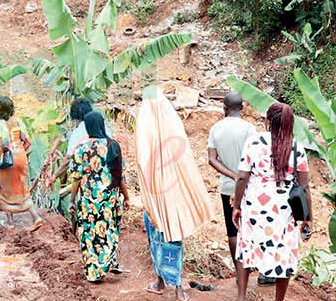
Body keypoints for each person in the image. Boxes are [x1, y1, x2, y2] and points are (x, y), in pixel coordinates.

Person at [136, 87, 214, 301]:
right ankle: (177, 288)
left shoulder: (145, 127)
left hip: (156, 193)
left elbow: (142, 162)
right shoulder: (173, 124)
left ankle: (161, 282)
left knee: (156, 239)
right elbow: (185, 158)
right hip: (175, 193)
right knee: (174, 239)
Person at [233, 103, 312, 301]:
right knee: (284, 253)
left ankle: (241, 297)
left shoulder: (254, 142)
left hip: (254, 206)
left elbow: (242, 177)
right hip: (283, 210)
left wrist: (236, 206)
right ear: (290, 124)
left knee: (246, 246)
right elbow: (304, 187)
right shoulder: (297, 148)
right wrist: (308, 218)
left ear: (268, 121)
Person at [207, 92, 265, 282]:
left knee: (233, 231)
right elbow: (257, 158)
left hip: (227, 187)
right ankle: (259, 268)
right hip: (250, 187)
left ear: (224, 107)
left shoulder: (215, 129)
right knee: (254, 226)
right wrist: (241, 177)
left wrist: (232, 176)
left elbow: (212, 159)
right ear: (242, 107)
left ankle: (240, 274)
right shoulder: (249, 129)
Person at [69, 111, 128, 282]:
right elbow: (120, 176)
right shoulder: (113, 146)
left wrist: (72, 200)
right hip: (110, 198)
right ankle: (108, 262)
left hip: (88, 200)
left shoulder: (81, 149)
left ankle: (94, 272)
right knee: (109, 229)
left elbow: (76, 179)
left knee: (89, 233)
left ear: (88, 127)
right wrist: (127, 197)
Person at [0, 97, 43, 230]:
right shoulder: (19, 122)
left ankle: (10, 222)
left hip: (8, 160)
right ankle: (36, 217)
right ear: (12, 108)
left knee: (4, 190)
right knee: (22, 188)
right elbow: (28, 142)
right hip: (21, 157)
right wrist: (20, 153)